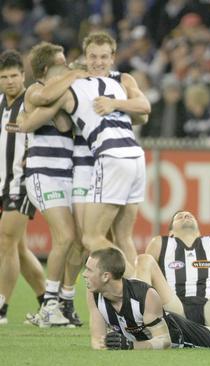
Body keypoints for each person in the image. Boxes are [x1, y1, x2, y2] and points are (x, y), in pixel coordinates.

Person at [13, 63, 147, 278]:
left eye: (103, 56)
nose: (98, 62)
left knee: (93, 239)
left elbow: (142, 114)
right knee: (102, 239)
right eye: (93, 56)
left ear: (111, 58)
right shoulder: (112, 84)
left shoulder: (95, 87)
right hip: (107, 164)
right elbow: (142, 114)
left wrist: (114, 104)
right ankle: (137, 289)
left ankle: (137, 285)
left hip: (106, 162)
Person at [12, 42, 83, 327]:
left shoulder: (63, 90)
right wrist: (74, 76)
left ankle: (65, 300)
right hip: (43, 173)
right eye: (61, 62)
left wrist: (29, 119)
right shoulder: (34, 90)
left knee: (79, 242)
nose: (67, 66)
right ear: (45, 69)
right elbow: (46, 114)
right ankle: (49, 304)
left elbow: (64, 126)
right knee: (65, 237)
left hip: (68, 173)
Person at [0, 50, 40, 325]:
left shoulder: (33, 101)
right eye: (4, 76)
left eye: (14, 75)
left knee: (5, 241)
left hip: (23, 182)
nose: (9, 81)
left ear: (23, 76)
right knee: (19, 248)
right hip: (3, 183)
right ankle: (48, 300)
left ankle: (1, 307)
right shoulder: (1, 103)